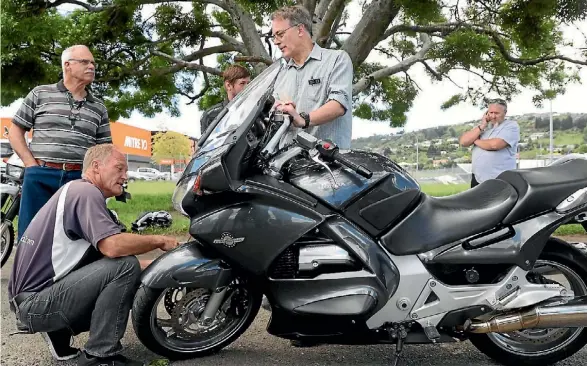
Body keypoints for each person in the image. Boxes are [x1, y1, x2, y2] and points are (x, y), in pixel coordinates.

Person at [8, 144, 180, 366]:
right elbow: (113, 248)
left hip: (31, 302)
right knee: (125, 266)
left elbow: (103, 265)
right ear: (96, 167)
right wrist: (161, 240)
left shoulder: (76, 191)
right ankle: (101, 356)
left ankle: (58, 332)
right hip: (36, 305)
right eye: (119, 168)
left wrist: (163, 265)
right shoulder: (85, 192)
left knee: (125, 267)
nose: (125, 176)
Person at [8, 45, 113, 240]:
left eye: (93, 63)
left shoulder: (99, 107)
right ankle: (28, 271)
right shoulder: (40, 94)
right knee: (32, 236)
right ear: (67, 65)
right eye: (85, 62)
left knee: (75, 238)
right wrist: (31, 166)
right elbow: (15, 132)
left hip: (79, 179)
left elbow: (105, 149)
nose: (91, 66)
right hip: (41, 175)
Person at [270, 5, 353, 149]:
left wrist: (302, 119)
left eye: (280, 34)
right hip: (287, 165)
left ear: (300, 30)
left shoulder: (336, 59)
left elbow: (338, 104)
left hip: (327, 166)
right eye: (274, 37)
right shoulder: (280, 74)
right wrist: (278, 111)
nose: (276, 42)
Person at [459, 98, 520, 187]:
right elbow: (464, 142)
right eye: (491, 113)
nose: (493, 116)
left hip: (500, 179)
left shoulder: (511, 126)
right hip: (478, 178)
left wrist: (475, 140)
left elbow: (494, 145)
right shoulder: (482, 127)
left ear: (505, 113)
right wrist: (482, 125)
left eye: (497, 113)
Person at [199, 64, 251, 135]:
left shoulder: (254, 108)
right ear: (228, 85)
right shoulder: (211, 116)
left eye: (248, 83)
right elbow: (206, 144)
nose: (247, 87)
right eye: (242, 83)